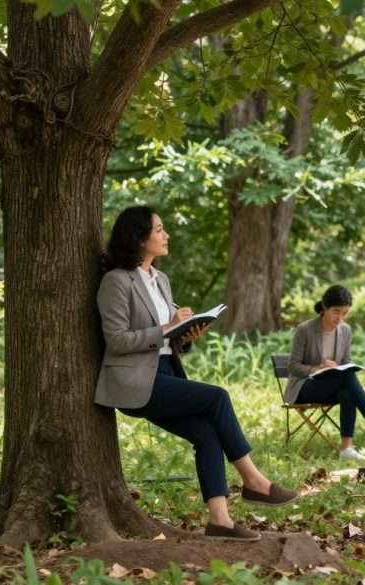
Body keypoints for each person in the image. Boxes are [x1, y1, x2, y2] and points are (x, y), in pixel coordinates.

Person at [94, 206, 295, 542]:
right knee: (218, 397)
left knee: (206, 433)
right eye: (159, 229)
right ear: (140, 238)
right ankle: (255, 482)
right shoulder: (116, 281)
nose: (166, 234)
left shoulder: (161, 280)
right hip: (135, 382)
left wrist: (184, 335)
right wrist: (166, 327)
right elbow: (116, 340)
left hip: (166, 374)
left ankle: (220, 522)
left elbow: (168, 340)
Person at [285, 285, 365, 460]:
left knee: (347, 391)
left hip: (333, 385)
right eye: (336, 312)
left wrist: (347, 366)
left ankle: (347, 449)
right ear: (324, 307)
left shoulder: (345, 330)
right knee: (347, 379)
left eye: (345, 313)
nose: (340, 318)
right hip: (304, 388)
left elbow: (345, 360)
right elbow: (293, 366)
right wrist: (317, 368)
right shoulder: (305, 330)